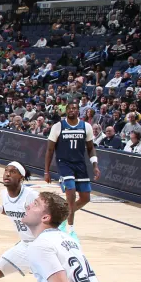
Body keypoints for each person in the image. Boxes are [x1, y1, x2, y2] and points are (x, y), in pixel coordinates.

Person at [44, 101, 100, 238]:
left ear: (78, 111)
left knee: (85, 197)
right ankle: (70, 229)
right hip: (64, 164)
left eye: (74, 108)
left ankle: (62, 217)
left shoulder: (86, 126)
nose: (71, 110)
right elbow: (50, 150)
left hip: (80, 164)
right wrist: (46, 171)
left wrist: (95, 166)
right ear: (66, 111)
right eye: (69, 108)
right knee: (71, 192)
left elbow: (91, 148)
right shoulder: (58, 127)